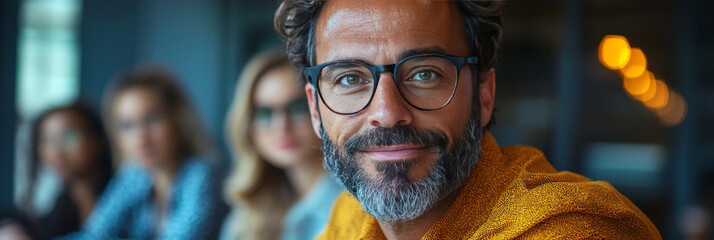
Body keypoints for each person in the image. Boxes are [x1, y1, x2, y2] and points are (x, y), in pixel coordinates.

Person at [274, 1, 662, 239]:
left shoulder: (572, 230)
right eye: (349, 79)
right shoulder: (350, 218)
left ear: (484, 94)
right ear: (315, 109)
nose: (387, 112)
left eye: (424, 73)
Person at [63, 67, 226, 239]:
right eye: (127, 125)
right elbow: (94, 234)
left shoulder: (203, 175)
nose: (140, 137)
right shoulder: (134, 175)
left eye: (153, 119)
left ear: (178, 119)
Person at [220, 50, 342, 240]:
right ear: (248, 125)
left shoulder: (352, 205)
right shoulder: (249, 213)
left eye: (296, 108)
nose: (281, 127)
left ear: (317, 108)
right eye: (265, 113)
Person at [0, 102, 113, 240]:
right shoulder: (61, 211)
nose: (56, 151)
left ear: (98, 139)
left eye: (69, 137)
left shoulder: (126, 195)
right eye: (46, 140)